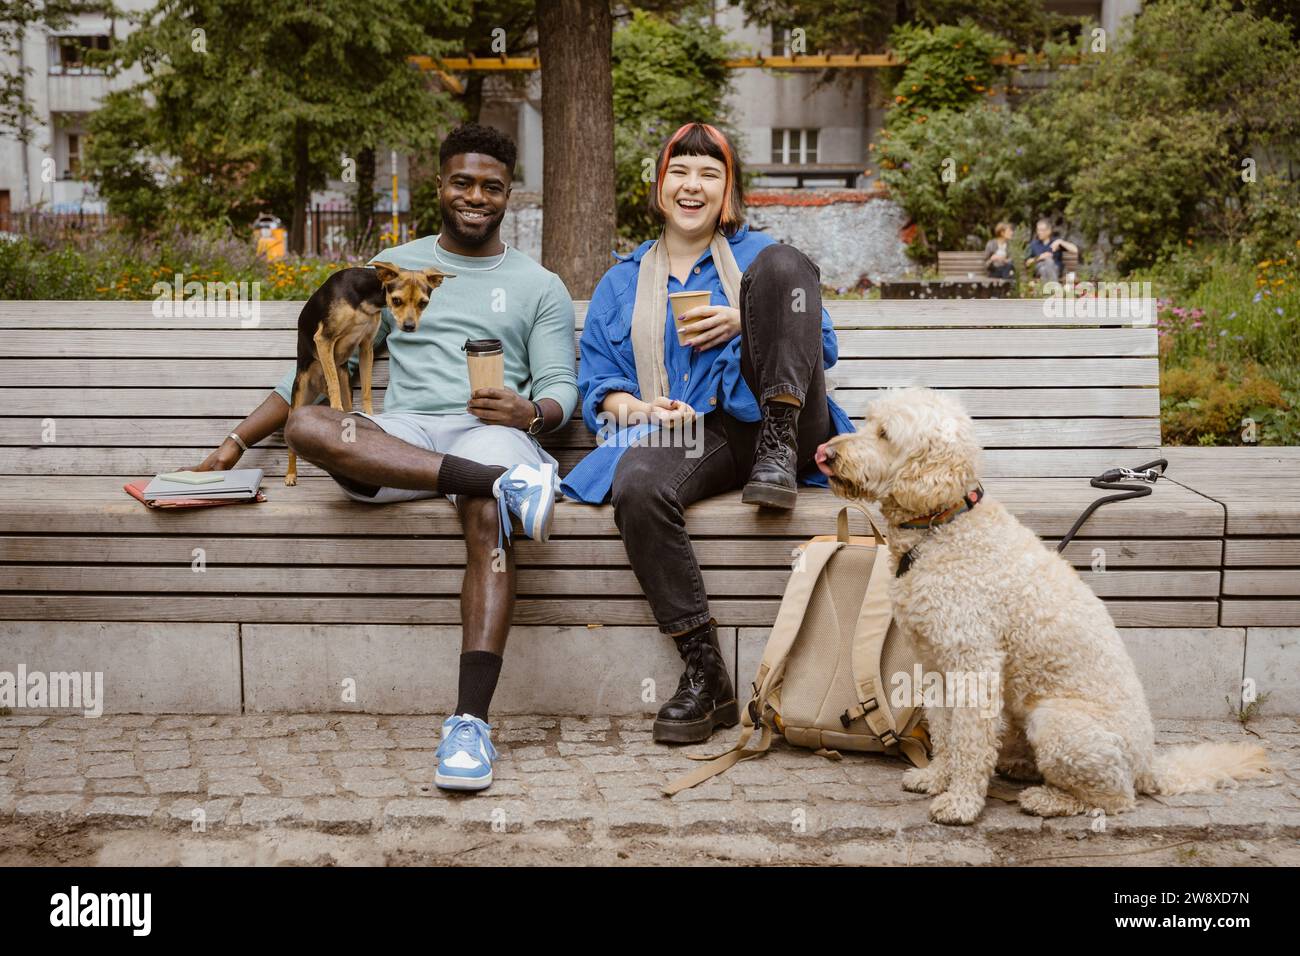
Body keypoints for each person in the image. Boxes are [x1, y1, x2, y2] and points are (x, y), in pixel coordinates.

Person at [191, 123, 578, 792]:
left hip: (490, 431)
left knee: (485, 509)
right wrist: (236, 442)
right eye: (463, 182)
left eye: (491, 186)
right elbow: (318, 367)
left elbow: (560, 390)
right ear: (440, 185)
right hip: (402, 437)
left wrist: (531, 414)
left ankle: (469, 724)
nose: (475, 196)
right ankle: (505, 485)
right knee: (315, 426)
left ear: (508, 194)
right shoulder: (390, 266)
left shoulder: (537, 284)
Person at [562, 122, 854, 745]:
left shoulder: (759, 257)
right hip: (704, 430)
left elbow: (821, 347)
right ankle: (704, 670)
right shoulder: (621, 282)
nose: (693, 186)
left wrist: (746, 322)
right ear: (660, 185)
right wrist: (640, 410)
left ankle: (776, 452)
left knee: (784, 264)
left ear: (729, 193)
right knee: (637, 483)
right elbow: (599, 388)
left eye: (709, 173)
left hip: (786, 420)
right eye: (680, 172)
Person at [1025, 217, 1079, 282]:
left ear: (1049, 231)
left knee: (1046, 266)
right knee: (1045, 264)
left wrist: (1060, 241)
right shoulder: (1033, 244)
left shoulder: (1056, 242)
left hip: (1055, 269)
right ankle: (1055, 288)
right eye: (1038, 230)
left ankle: (1049, 289)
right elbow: (1027, 263)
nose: (1039, 232)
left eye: (1042, 230)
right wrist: (1040, 257)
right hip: (1038, 269)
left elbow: (1075, 250)